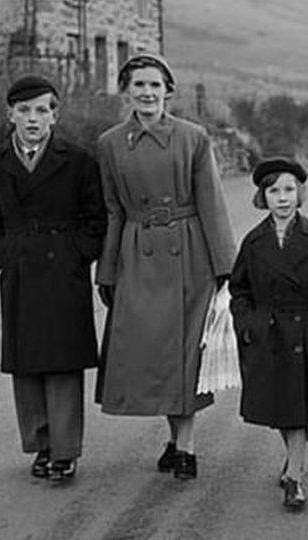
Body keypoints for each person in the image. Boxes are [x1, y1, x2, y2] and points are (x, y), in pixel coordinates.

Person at [95, 52, 236, 480]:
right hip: (138, 255)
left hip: (189, 252)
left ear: (168, 91)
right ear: (127, 91)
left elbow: (212, 203)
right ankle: (175, 440)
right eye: (139, 84)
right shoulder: (110, 144)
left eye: (155, 85)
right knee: (152, 354)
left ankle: (186, 448)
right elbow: (113, 211)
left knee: (185, 354)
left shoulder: (193, 138)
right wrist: (107, 270)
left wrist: (225, 269)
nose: (147, 92)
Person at [0, 75, 106, 482]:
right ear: (10, 115)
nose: (32, 119)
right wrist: (3, 254)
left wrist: (76, 257)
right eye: (23, 110)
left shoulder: (79, 160)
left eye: (41, 110)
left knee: (63, 360)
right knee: (26, 360)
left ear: (55, 116)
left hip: (62, 272)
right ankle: (40, 445)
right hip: (19, 270)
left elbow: (95, 220)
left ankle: (66, 451)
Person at [229, 157, 308, 511]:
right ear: (262, 197)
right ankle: (292, 459)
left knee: (300, 410)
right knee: (280, 409)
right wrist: (248, 324)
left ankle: (295, 477)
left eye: (289, 190)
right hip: (267, 336)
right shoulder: (253, 243)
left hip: (305, 335)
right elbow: (239, 290)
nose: (282, 198)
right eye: (274, 190)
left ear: (300, 194)